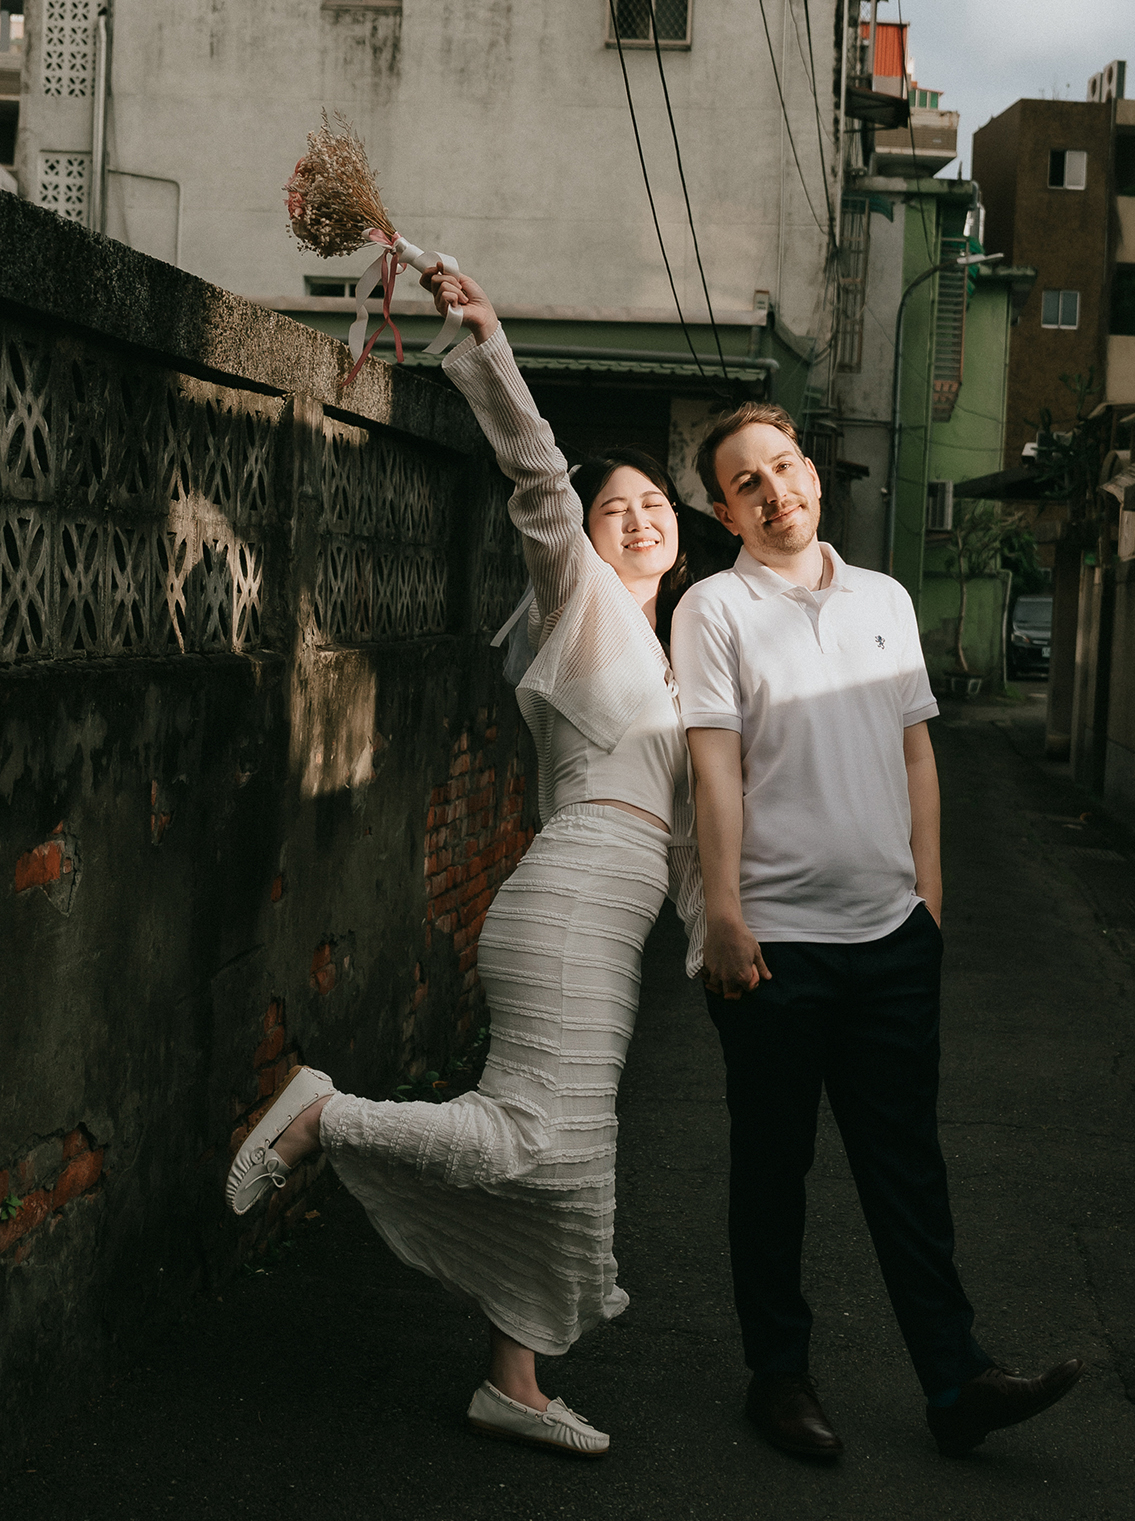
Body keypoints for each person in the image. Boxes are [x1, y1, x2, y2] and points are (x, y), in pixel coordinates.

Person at [226, 270, 702, 1459]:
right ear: (588, 537)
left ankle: (512, 1383)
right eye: (616, 508)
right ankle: (325, 1114)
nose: (637, 518)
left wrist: (715, 935)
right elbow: (538, 479)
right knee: (535, 1143)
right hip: (576, 895)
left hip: (613, 915)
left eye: (654, 503)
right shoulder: (581, 603)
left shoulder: (673, 656)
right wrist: (487, 346)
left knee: (576, 1167)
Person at [671, 400, 1082, 1461]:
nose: (775, 492)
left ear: (812, 473)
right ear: (726, 512)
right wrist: (724, 915)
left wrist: (927, 902)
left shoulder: (886, 599)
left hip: (891, 938)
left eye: (784, 467)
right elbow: (715, 772)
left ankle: (956, 1382)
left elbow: (915, 756)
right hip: (774, 946)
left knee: (907, 1167)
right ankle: (778, 1378)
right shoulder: (713, 609)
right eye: (748, 483)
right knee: (773, 1172)